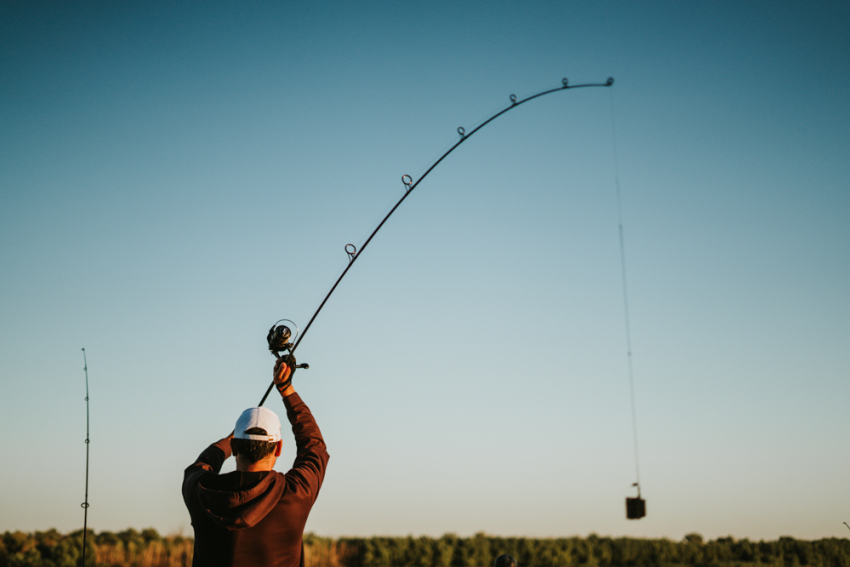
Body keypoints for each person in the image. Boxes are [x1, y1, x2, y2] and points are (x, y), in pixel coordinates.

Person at [182, 357, 329, 567]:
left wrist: (231, 438)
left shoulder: (200, 490)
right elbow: (314, 446)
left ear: (233, 448)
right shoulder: (296, 494)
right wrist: (286, 389)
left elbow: (204, 463)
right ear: (278, 448)